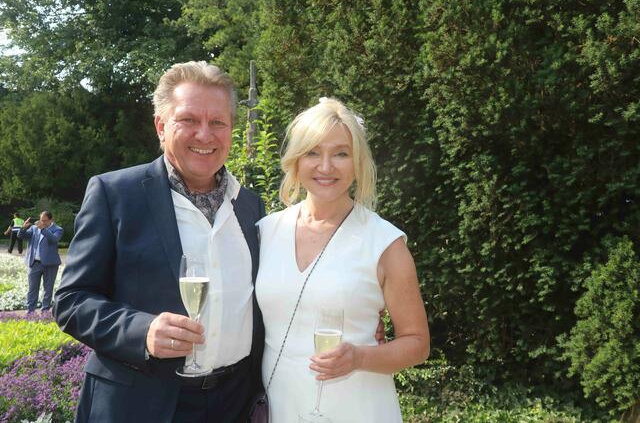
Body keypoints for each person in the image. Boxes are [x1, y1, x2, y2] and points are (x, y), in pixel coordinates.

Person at [53, 61, 265, 422]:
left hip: (234, 403)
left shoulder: (250, 205)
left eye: (217, 122)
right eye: (189, 120)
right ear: (161, 126)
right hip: (140, 404)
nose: (205, 135)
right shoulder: (115, 194)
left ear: (231, 129)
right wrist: (142, 331)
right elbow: (71, 301)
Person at [255, 97, 430, 422]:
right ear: (296, 159)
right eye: (312, 152)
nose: (325, 167)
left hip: (359, 410)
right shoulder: (266, 232)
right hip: (282, 410)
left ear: (358, 162)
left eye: (341, 154)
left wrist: (359, 357)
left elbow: (417, 344)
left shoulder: (384, 243)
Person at [18, 211, 63, 313]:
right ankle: (30, 312)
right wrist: (23, 228)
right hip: (34, 263)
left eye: (45, 221)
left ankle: (45, 312)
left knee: (48, 289)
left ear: (51, 220)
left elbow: (54, 239)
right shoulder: (34, 228)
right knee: (32, 289)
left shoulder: (58, 229)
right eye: (41, 220)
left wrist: (43, 229)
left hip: (50, 264)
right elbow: (21, 236)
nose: (42, 222)